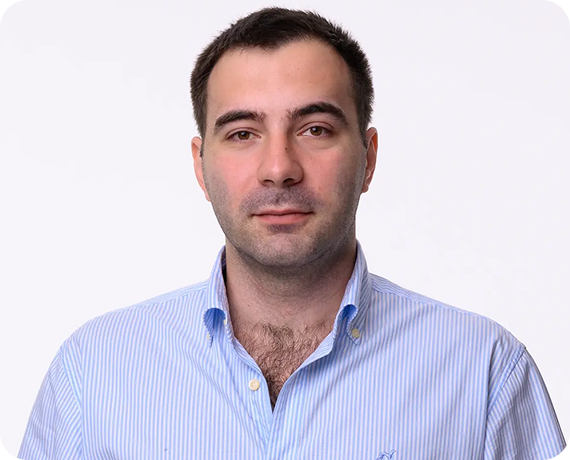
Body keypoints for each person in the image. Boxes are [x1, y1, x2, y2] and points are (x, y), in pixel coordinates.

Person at [18, 7, 566, 460]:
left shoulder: (484, 373)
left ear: (369, 158)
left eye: (315, 129)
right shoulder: (92, 374)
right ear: (200, 166)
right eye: (242, 133)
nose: (279, 168)